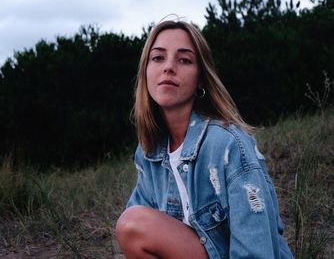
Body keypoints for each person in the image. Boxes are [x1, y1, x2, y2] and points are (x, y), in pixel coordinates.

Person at [115, 19, 293, 258]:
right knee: (133, 225)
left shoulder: (229, 144)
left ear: (200, 79)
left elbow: (256, 250)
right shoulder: (149, 151)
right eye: (158, 58)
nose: (168, 67)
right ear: (146, 72)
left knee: (132, 222)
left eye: (184, 60)